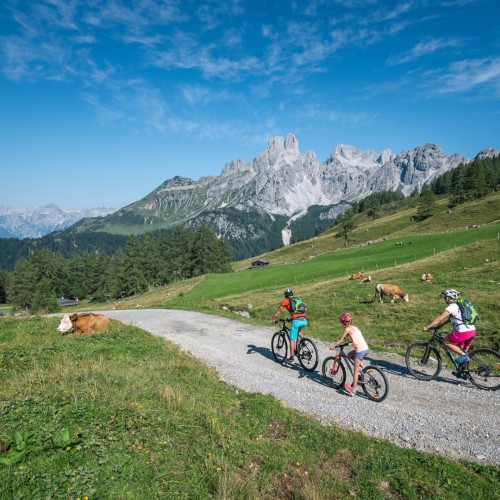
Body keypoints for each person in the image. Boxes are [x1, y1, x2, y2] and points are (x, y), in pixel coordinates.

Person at [423, 289, 476, 363]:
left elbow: (439, 319)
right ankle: (463, 372)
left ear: (448, 298)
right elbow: (451, 319)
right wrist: (442, 325)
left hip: (463, 332)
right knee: (461, 350)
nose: (444, 299)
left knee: (446, 342)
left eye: (445, 297)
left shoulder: (452, 307)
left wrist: (428, 327)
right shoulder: (460, 306)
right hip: (472, 331)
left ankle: (465, 356)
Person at [330, 312, 369, 396]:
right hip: (365, 348)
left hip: (360, 350)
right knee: (349, 355)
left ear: (345, 322)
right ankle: (364, 368)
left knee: (355, 371)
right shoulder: (355, 327)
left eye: (342, 322)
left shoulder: (347, 329)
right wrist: (349, 343)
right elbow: (355, 339)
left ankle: (353, 390)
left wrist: (334, 345)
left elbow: (341, 340)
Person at [271, 288, 307, 362]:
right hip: (304, 319)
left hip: (296, 320)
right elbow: (298, 311)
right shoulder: (298, 299)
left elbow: (278, 311)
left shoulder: (285, 301)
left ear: (285, 295)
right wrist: (291, 318)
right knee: (298, 331)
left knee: (292, 339)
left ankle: (291, 357)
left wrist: (274, 318)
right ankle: (304, 341)